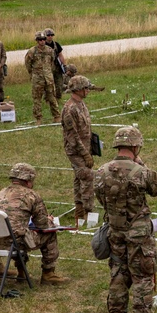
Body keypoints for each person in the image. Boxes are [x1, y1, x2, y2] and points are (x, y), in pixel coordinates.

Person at [94, 126, 157, 313]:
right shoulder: (140, 172)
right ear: (135, 147)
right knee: (142, 274)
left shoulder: (102, 171)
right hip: (139, 233)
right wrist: (142, 164)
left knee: (118, 273)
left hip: (115, 230)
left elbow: (99, 195)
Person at [0, 162, 69, 285]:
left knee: (18, 231)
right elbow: (42, 225)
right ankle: (48, 273)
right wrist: (50, 220)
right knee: (49, 234)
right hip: (14, 242)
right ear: (28, 180)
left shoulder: (2, 193)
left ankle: (21, 272)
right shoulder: (31, 195)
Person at [61, 75, 95, 222]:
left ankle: (79, 212)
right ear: (79, 89)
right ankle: (88, 213)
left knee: (79, 178)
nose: (88, 90)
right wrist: (85, 155)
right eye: (86, 88)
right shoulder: (69, 109)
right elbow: (73, 136)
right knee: (87, 176)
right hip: (76, 151)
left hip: (85, 148)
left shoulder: (81, 105)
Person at [24, 31, 61, 125]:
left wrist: (49, 72)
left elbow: (53, 63)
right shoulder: (32, 51)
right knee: (37, 99)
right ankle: (38, 118)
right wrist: (33, 74)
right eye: (40, 40)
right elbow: (28, 64)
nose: (42, 41)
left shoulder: (50, 50)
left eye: (44, 39)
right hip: (37, 78)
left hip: (48, 78)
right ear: (37, 41)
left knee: (52, 97)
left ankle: (56, 116)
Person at [43, 28, 66, 105]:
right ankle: (47, 100)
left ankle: (58, 99)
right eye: (48, 35)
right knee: (49, 86)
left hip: (57, 68)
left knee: (59, 85)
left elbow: (61, 55)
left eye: (52, 35)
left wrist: (64, 65)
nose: (50, 37)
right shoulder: (42, 46)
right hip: (47, 68)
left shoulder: (56, 45)